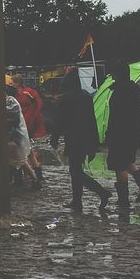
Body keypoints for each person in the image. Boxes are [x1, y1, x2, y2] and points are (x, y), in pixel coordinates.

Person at [50, 68, 112, 211]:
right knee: (76, 169)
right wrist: (95, 143)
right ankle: (77, 201)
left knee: (76, 171)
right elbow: (92, 120)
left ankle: (101, 192)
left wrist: (54, 138)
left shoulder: (65, 98)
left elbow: (59, 121)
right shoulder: (86, 96)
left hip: (73, 138)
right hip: (86, 138)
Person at [106, 61, 140, 207]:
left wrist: (110, 133)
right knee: (128, 162)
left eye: (113, 73)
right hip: (133, 132)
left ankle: (124, 200)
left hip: (121, 134)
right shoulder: (133, 88)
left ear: (118, 74)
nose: (111, 76)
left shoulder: (122, 91)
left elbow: (118, 116)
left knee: (119, 165)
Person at [5, 88, 38, 189]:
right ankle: (30, 179)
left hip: (16, 136)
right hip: (13, 135)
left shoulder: (11, 102)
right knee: (17, 160)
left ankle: (35, 179)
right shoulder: (10, 101)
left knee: (21, 160)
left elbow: (13, 119)